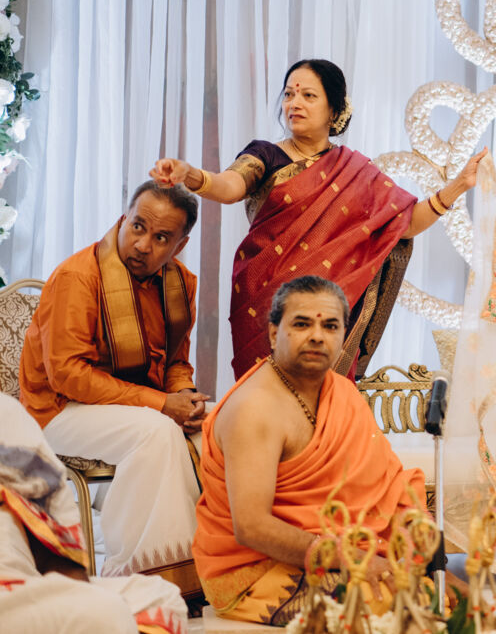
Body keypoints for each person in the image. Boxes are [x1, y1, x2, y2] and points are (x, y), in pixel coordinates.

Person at [149, 58, 486, 379]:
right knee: (266, 399)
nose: (294, 103)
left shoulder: (356, 172)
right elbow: (229, 187)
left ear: (334, 111)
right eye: (289, 95)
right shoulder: (265, 155)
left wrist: (459, 185)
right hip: (266, 298)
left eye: (308, 96)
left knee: (322, 402)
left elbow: (406, 223)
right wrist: (190, 174)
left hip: (328, 307)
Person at [193, 275, 447, 626]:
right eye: (301, 324)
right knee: (394, 606)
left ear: (343, 337)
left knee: (443, 594)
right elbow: (251, 528)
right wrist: (354, 559)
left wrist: (427, 564)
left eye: (330, 326)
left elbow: (388, 488)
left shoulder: (342, 393)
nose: (317, 336)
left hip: (335, 552)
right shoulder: (254, 409)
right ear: (273, 333)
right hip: (254, 568)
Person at [19, 182, 206, 588]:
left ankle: (210, 567)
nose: (143, 245)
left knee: (217, 430)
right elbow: (68, 374)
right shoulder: (78, 276)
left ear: (180, 245)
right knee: (157, 432)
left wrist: (184, 396)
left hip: (129, 407)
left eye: (161, 238)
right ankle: (140, 576)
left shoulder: (180, 284)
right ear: (123, 219)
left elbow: (175, 362)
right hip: (59, 409)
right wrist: (162, 404)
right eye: (138, 226)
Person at [0, 393, 189, 634]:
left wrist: (182, 394)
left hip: (23, 587)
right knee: (108, 613)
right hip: (10, 593)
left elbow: (51, 506)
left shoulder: (6, 412)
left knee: (161, 597)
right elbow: (71, 376)